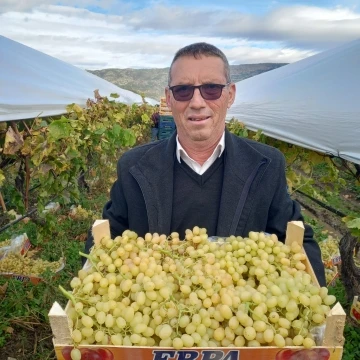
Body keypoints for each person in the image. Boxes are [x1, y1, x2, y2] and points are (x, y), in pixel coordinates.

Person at [86, 42, 326, 286]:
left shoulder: (267, 165)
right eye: (183, 90)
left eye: (211, 88)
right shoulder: (133, 166)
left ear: (230, 95)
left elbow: (297, 239)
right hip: (157, 315)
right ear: (169, 98)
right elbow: (108, 236)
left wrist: (316, 303)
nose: (197, 102)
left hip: (236, 316)